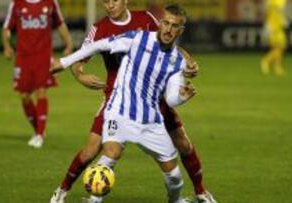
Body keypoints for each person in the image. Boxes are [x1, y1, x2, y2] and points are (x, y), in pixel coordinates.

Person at [50, 0, 215, 202]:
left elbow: (169, 44)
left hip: (154, 97)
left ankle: (200, 192)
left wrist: (187, 62)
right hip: (117, 97)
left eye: (114, 0)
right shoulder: (101, 28)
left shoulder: (145, 20)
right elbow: (88, 52)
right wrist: (78, 73)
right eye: (105, 1)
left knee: (183, 145)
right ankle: (68, 191)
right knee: (95, 150)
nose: (109, 5)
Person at [2, 0, 73, 148]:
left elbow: (60, 23)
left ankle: (40, 135)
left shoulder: (51, 2)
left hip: (43, 56)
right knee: (24, 95)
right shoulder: (16, 4)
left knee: (41, 92)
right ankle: (37, 130)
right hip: (23, 57)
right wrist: (7, 46)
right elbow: (6, 28)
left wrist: (68, 44)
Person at [261, 0, 288, 76]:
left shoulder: (282, 1)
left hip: (278, 27)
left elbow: (280, 12)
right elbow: (268, 12)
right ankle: (265, 61)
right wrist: (267, 25)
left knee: (280, 48)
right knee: (278, 48)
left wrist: (283, 20)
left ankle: (277, 67)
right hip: (273, 28)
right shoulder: (272, 2)